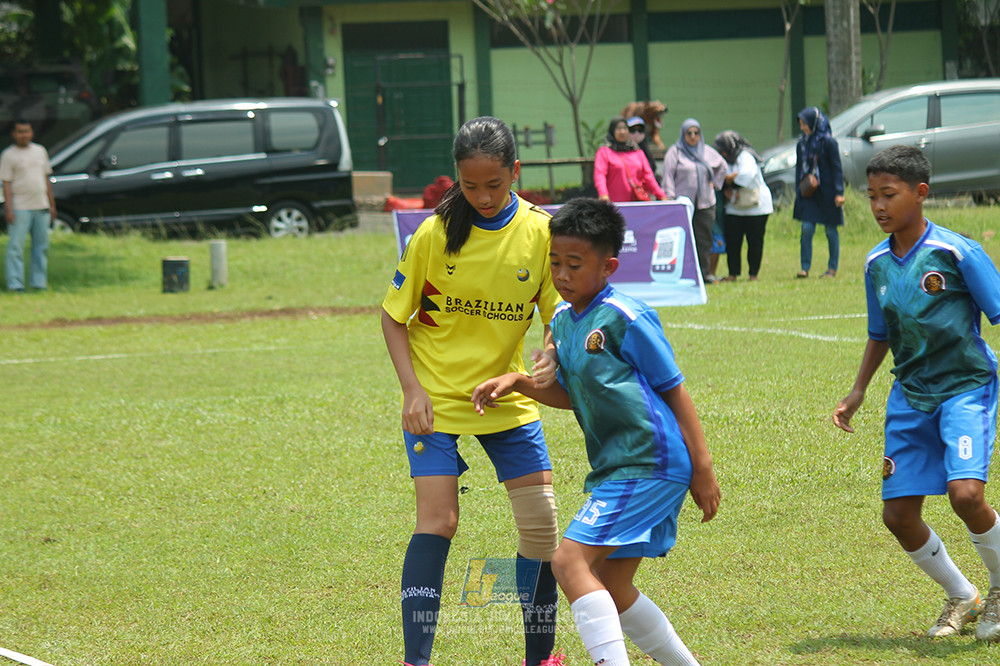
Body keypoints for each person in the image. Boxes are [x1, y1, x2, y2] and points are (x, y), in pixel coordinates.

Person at [473, 198, 721, 665]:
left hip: (648, 462)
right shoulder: (564, 323)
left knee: (568, 562)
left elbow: (675, 391)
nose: (562, 274)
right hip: (617, 469)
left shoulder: (625, 316)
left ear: (608, 266)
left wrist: (702, 467)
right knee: (613, 585)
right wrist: (520, 382)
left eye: (574, 264)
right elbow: (574, 395)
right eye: (555, 263)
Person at [381, 116, 565, 666]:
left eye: (494, 185)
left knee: (541, 526)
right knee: (439, 521)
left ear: (515, 172)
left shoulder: (541, 232)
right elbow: (393, 318)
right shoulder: (434, 234)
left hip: (505, 396)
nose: (483, 197)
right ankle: (416, 660)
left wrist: (552, 351)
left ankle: (542, 659)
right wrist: (412, 390)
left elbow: (560, 311)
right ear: (457, 179)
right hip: (434, 400)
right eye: (470, 186)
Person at [833, 145, 1000, 642]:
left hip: (965, 388)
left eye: (890, 194)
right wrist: (859, 389)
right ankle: (962, 595)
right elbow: (880, 331)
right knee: (898, 514)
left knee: (966, 495)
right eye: (872, 197)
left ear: (920, 193)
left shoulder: (956, 252)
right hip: (910, 396)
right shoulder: (876, 262)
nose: (879, 206)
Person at [661, 118, 727, 283]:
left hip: (705, 204)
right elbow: (667, 175)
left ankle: (703, 274)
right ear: (683, 134)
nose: (692, 136)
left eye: (696, 133)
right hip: (682, 205)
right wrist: (670, 197)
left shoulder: (706, 151)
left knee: (704, 239)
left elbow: (722, 166)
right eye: (688, 133)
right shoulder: (675, 152)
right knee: (681, 239)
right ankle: (682, 273)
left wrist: (716, 184)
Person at [2, 119, 55, 292]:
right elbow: (6, 184)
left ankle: (39, 282)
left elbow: (46, 178)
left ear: (31, 133)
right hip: (20, 207)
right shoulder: (8, 155)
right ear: (14, 134)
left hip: (41, 205)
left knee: (41, 246)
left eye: (26, 131)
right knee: (16, 247)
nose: (23, 135)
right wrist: (8, 209)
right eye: (20, 132)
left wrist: (51, 204)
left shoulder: (40, 151)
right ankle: (15, 284)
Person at [713, 130, 773, 282]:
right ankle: (733, 273)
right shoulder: (726, 159)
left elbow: (745, 177)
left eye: (724, 149)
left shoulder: (745, 156)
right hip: (734, 207)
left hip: (756, 207)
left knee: (755, 241)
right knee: (733, 241)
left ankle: (753, 274)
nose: (722, 153)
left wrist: (730, 181)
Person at [794, 107, 844, 279]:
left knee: (831, 230)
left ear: (814, 123)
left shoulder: (829, 142)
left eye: (805, 124)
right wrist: (798, 191)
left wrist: (839, 192)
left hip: (828, 192)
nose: (803, 128)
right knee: (807, 228)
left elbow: (837, 168)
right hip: (809, 192)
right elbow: (799, 169)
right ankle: (804, 267)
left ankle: (832, 268)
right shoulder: (802, 144)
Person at [593, 117, 666, 204]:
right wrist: (603, 194)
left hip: (637, 203)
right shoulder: (604, 152)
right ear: (612, 131)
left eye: (625, 128)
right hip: (614, 205)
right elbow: (600, 175)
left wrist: (661, 195)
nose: (622, 132)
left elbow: (649, 177)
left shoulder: (637, 152)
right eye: (619, 129)